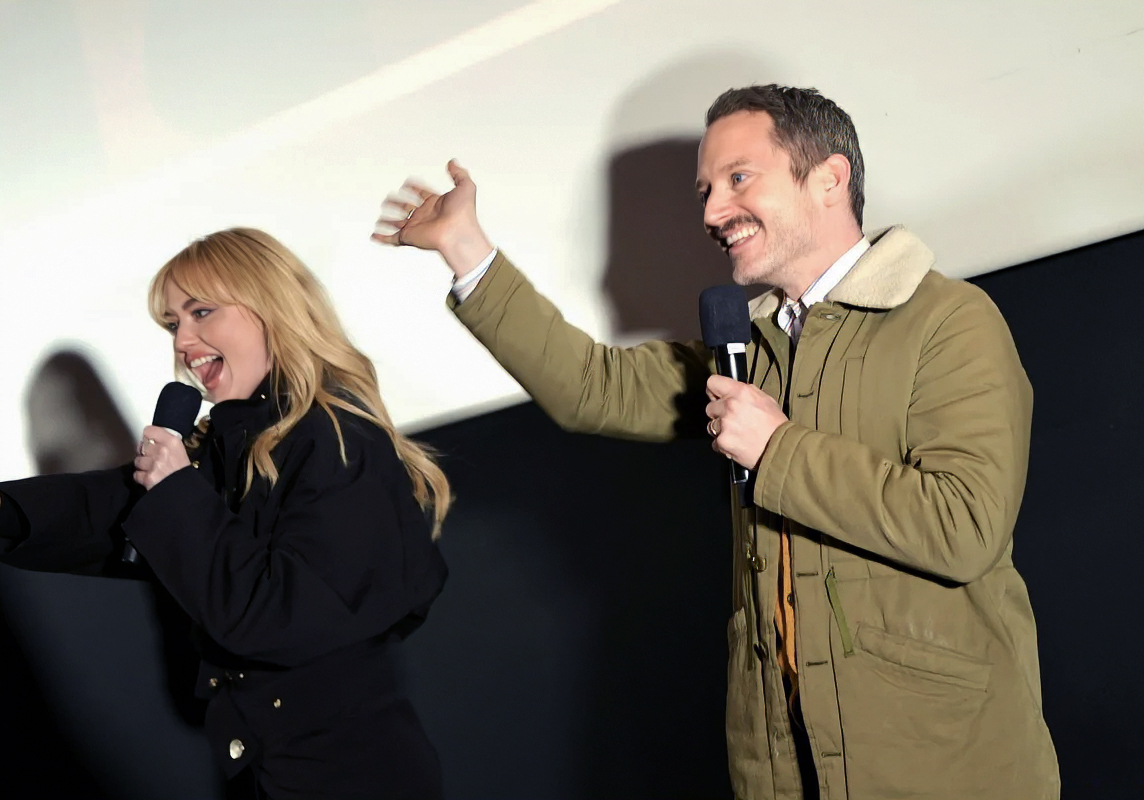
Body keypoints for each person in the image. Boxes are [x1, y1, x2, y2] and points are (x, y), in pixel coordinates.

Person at [373, 85, 1059, 799]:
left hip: (943, 767)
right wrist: (464, 247)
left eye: (738, 178)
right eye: (706, 190)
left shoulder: (949, 320)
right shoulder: (748, 348)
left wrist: (777, 448)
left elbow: (964, 526)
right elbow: (592, 386)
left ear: (829, 179)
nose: (710, 212)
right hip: (783, 768)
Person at [0, 228, 450, 800]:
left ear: (270, 308)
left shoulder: (340, 442)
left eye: (201, 312)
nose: (183, 343)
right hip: (264, 774)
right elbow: (102, 509)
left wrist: (174, 491)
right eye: (173, 324)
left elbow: (277, 616)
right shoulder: (231, 447)